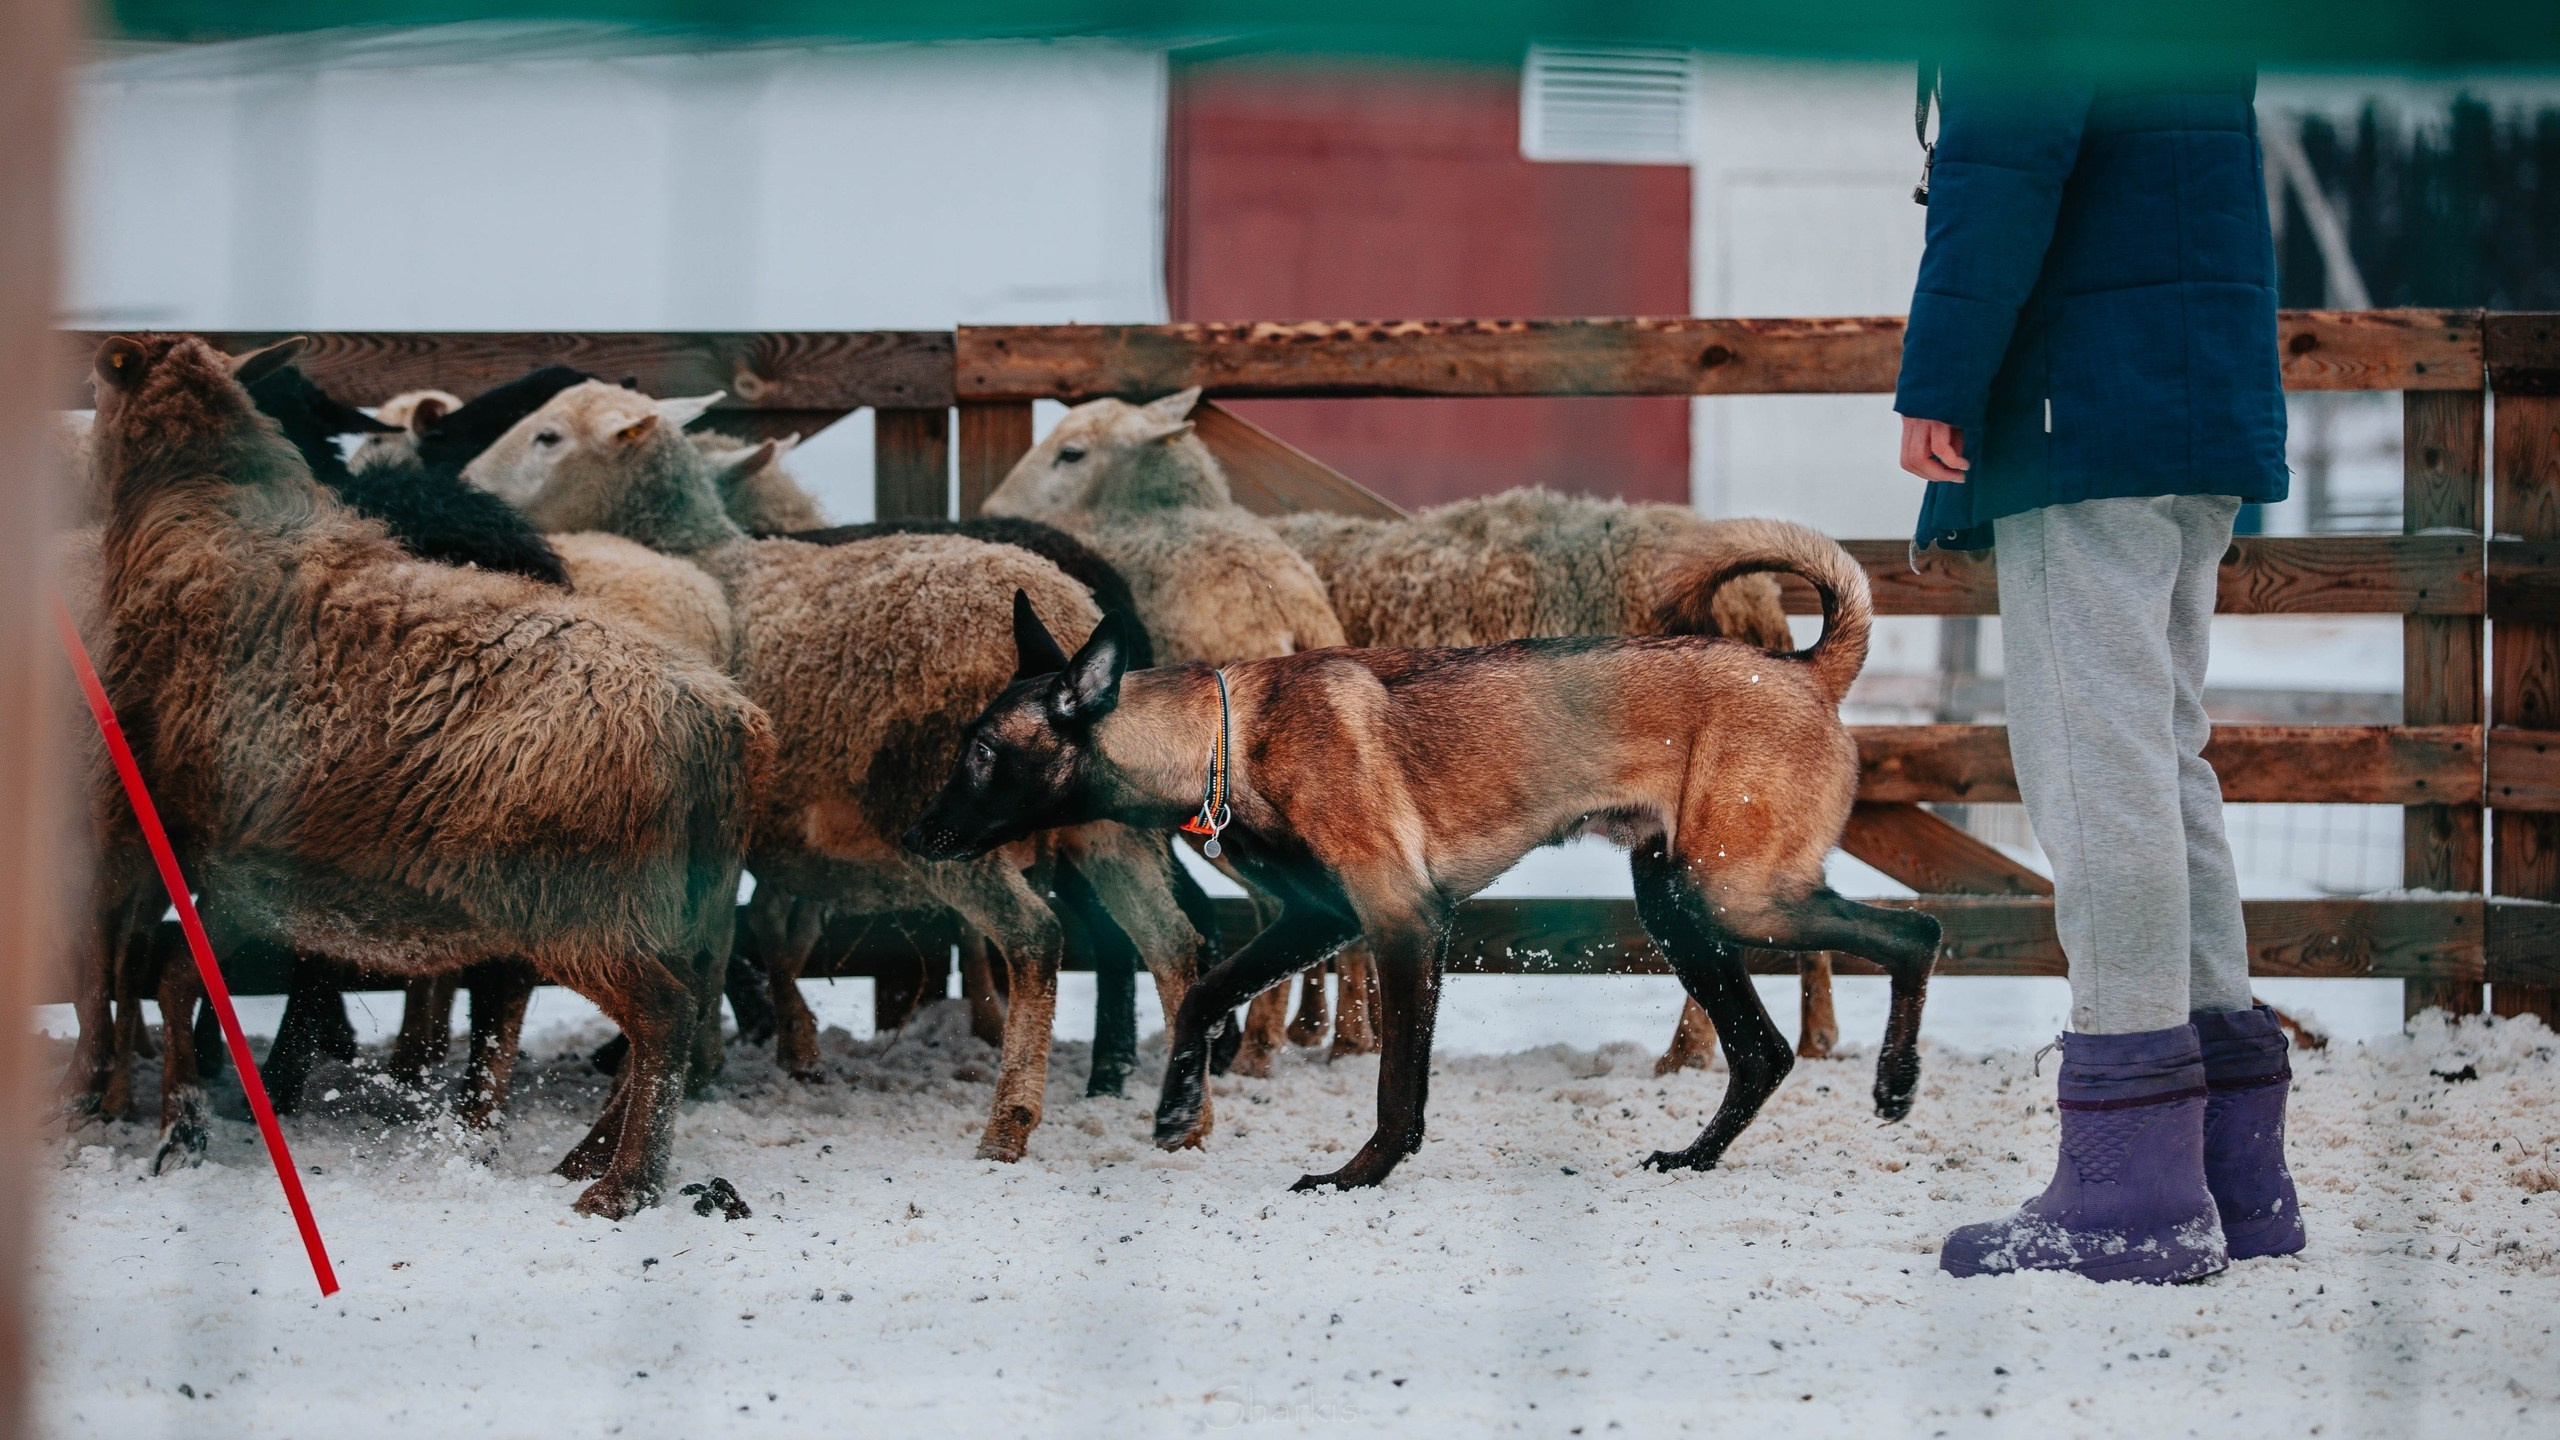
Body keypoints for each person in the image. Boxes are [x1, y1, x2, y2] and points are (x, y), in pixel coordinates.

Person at [1894, 68, 2304, 1282]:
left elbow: (1997, 166)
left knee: (2094, 765)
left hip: (2088, 407)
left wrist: (1939, 380)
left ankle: (2128, 1187)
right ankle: (2232, 1171)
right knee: (2159, 756)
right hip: (2196, 399)